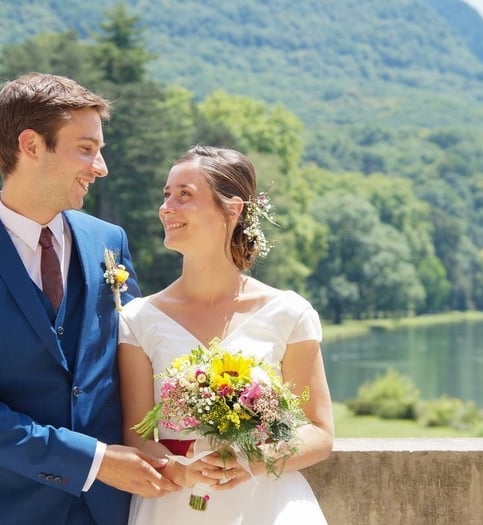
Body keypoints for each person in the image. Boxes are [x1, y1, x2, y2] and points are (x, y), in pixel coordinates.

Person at [0, 72, 178, 525]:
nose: (100, 167)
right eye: (86, 149)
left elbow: (140, 359)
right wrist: (94, 461)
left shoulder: (108, 240)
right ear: (31, 145)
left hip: (108, 511)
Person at [118, 145, 334, 524]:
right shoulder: (138, 319)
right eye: (166, 194)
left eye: (185, 194)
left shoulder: (289, 313)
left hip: (268, 506)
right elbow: (136, 436)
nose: (168, 206)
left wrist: (255, 460)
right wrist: (181, 472)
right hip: (175, 508)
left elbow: (317, 431)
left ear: (232, 211)